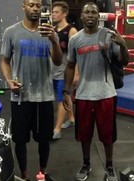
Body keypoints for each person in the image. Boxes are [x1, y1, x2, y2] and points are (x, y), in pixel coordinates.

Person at [62, 2, 129, 181]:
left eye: (94, 12)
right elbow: (69, 66)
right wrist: (66, 91)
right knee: (84, 134)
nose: (90, 15)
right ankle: (86, 164)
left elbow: (124, 62)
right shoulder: (75, 40)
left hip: (106, 93)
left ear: (98, 16)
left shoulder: (108, 36)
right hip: (84, 94)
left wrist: (123, 46)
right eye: (87, 13)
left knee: (107, 134)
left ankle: (109, 165)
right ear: (82, 17)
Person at [0, 0, 63, 181]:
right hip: (21, 96)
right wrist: (9, 81)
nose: (35, 8)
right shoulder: (11, 32)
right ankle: (25, 176)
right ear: (23, 6)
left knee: (44, 138)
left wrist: (54, 40)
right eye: (31, 5)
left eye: (38, 5)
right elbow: (4, 61)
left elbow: (58, 62)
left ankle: (42, 174)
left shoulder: (49, 33)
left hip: (44, 95)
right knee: (20, 140)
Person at [51, 1, 78, 140]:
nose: (53, 14)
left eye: (56, 12)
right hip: (53, 72)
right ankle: (71, 118)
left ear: (64, 14)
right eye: (53, 12)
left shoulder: (71, 31)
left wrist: (76, 74)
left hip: (65, 73)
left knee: (61, 99)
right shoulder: (53, 31)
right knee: (66, 97)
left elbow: (76, 55)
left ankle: (57, 129)